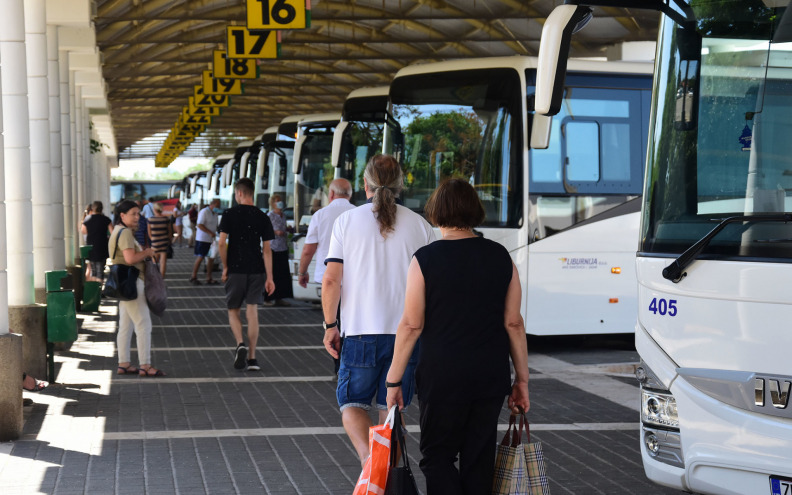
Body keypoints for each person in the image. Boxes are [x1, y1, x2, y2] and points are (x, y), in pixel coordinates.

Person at [385, 179, 530, 495]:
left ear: (436, 212)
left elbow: (411, 325)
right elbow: (514, 323)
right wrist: (522, 380)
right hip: (489, 374)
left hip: (442, 375)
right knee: (479, 459)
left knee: (437, 456)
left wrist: (393, 382)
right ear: (475, 211)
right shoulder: (501, 257)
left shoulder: (424, 259)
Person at [321, 154, 435, 467]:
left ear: (365, 183)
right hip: (406, 336)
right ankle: (387, 472)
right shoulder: (420, 226)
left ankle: (369, 460)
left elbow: (331, 280)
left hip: (359, 333)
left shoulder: (347, 221)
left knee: (352, 403)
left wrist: (330, 325)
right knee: (393, 409)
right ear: (400, 185)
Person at [298, 178, 354, 373]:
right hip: (354, 279)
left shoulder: (320, 215)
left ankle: (339, 366)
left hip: (329, 279)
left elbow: (308, 249)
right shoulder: (358, 214)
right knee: (351, 322)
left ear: (330, 194)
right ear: (350, 194)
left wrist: (302, 272)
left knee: (333, 323)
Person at [218, 178, 276, 371]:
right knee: (253, 313)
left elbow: (221, 243)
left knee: (233, 310)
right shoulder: (262, 216)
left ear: (239, 193)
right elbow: (267, 250)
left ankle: (240, 343)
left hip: (235, 269)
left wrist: (225, 267)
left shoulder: (229, 214)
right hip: (257, 270)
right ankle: (252, 358)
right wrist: (270, 277)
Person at [110, 200, 165, 377]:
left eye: (138, 213)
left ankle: (124, 363)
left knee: (125, 326)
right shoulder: (125, 232)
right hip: (132, 283)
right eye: (133, 213)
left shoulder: (117, 231)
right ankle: (145, 365)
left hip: (124, 284)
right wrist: (147, 253)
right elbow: (130, 258)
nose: (137, 217)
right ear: (122, 215)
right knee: (143, 324)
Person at [263, 193, 293, 307]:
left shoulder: (283, 215)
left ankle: (280, 297)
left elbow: (283, 227)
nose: (280, 202)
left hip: (283, 246)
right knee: (272, 273)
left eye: (280, 200)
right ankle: (268, 297)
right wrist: (276, 232)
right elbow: (267, 229)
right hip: (273, 247)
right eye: (277, 200)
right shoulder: (270, 215)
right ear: (272, 203)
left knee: (282, 274)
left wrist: (287, 230)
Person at [190, 199, 221, 285]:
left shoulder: (215, 214)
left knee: (211, 258)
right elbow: (199, 225)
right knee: (200, 257)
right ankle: (193, 276)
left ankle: (209, 277)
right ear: (213, 204)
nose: (219, 207)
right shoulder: (204, 212)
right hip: (202, 239)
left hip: (211, 240)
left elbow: (215, 226)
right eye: (218, 205)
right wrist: (209, 232)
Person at [81, 201, 113, 282]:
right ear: (102, 209)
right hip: (102, 247)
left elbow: (83, 231)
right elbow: (113, 233)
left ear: (93, 209)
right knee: (100, 270)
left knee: (93, 271)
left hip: (91, 248)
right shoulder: (106, 219)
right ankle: (98, 291)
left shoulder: (87, 219)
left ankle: (94, 289)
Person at [147, 202, 172, 278]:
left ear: (154, 209)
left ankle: (154, 277)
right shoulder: (166, 219)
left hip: (155, 243)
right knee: (163, 262)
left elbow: (149, 233)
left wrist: (153, 239)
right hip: (164, 242)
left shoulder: (150, 219)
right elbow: (170, 232)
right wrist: (169, 240)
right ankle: (161, 277)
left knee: (154, 261)